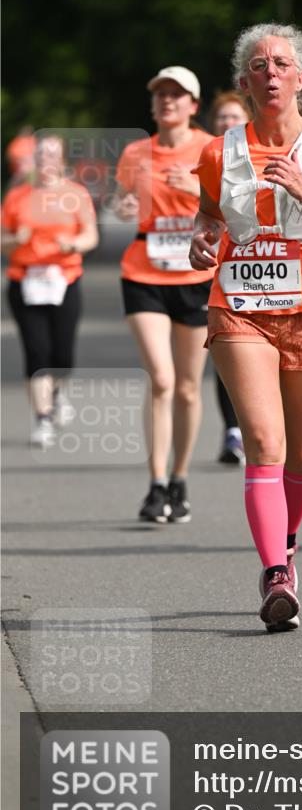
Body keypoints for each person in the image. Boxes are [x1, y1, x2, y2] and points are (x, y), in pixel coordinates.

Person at [190, 23, 302, 631]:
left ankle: (287, 542)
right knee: (264, 443)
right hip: (239, 308)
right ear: (245, 82)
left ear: (300, 79)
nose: (270, 73)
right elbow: (208, 216)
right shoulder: (219, 151)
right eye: (259, 65)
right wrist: (202, 239)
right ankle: (275, 577)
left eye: (281, 64)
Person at [115, 66, 216, 524]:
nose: (168, 102)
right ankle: (155, 485)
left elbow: (232, 208)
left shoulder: (211, 149)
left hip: (195, 277)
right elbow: (125, 202)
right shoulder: (136, 153)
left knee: (190, 388)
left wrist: (195, 189)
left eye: (178, 95)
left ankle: (180, 477)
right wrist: (123, 206)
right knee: (161, 378)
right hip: (144, 272)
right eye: (161, 95)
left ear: (194, 105)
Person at [2, 133, 98, 444]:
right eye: (40, 155)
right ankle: (42, 417)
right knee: (36, 350)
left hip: (64, 279)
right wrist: (15, 241)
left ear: (62, 161)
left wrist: (73, 244)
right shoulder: (17, 197)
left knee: (62, 354)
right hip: (25, 279)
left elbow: (90, 235)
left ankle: (57, 392)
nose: (45, 161)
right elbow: (2, 239)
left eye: (52, 155)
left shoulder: (76, 194)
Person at [207, 89, 253, 465]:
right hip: (216, 274)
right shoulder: (208, 156)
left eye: (234, 117)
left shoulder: (263, 156)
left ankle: (262, 428)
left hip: (268, 277)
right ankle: (234, 430)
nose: (227, 123)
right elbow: (202, 210)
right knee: (230, 356)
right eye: (222, 118)